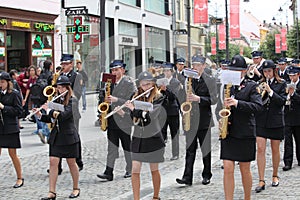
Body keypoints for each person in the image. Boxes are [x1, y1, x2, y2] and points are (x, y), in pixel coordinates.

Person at [219, 55, 262, 200]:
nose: (234, 73)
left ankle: (247, 197)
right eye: (232, 70)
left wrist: (237, 103)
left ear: (244, 71)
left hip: (245, 132)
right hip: (229, 132)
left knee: (245, 169)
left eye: (237, 70)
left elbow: (257, 107)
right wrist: (221, 119)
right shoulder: (227, 86)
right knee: (228, 168)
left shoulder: (251, 86)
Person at [35, 76, 80, 200]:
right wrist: (40, 116)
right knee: (53, 162)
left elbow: (64, 115)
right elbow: (52, 119)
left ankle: (76, 188)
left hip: (69, 136)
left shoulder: (72, 100)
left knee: (71, 163)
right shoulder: (57, 100)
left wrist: (49, 109)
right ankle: (52, 192)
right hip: (57, 136)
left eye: (60, 88)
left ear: (67, 88)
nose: (58, 90)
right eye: (58, 88)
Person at [176, 55, 218, 186]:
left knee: (205, 149)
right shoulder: (188, 79)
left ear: (204, 66)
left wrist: (198, 98)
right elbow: (182, 97)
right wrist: (183, 110)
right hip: (191, 119)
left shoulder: (210, 80)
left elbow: (214, 99)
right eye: (194, 65)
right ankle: (187, 177)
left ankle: (206, 175)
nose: (196, 68)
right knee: (190, 150)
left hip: (204, 119)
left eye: (199, 65)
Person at [124, 71, 166, 200]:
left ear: (153, 84)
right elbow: (133, 118)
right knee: (135, 169)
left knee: (154, 169)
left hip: (153, 137)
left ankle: (156, 196)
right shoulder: (135, 95)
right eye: (143, 84)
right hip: (138, 137)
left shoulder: (158, 97)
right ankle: (136, 198)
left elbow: (150, 117)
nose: (146, 87)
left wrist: (133, 110)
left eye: (148, 84)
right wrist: (123, 111)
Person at [97, 60, 136, 181]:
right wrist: (101, 113)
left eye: (116, 70)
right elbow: (102, 98)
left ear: (122, 70)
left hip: (124, 118)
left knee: (127, 146)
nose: (114, 72)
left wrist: (116, 100)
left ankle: (130, 168)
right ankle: (109, 172)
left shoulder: (129, 83)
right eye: (112, 70)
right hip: (111, 119)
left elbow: (131, 100)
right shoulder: (109, 82)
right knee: (112, 148)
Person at [255, 60, 287, 193]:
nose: (267, 73)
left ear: (274, 71)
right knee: (260, 149)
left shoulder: (281, 83)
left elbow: (282, 102)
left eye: (269, 71)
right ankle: (261, 179)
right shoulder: (259, 84)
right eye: (265, 71)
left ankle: (275, 175)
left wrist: (270, 91)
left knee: (275, 149)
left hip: (275, 120)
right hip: (261, 120)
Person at [59, 54, 83, 171]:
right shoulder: (57, 76)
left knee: (74, 137)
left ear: (71, 64)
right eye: (62, 64)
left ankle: (78, 160)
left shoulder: (76, 76)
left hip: (72, 111)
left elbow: (77, 94)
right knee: (57, 137)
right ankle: (57, 166)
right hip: (58, 110)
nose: (63, 66)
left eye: (66, 64)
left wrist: (66, 91)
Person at [0, 72, 24, 188]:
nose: (0, 84)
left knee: (12, 154)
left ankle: (20, 178)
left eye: (2, 82)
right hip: (0, 127)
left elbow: (19, 111)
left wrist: (4, 107)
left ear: (8, 83)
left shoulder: (14, 94)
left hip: (10, 128)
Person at [159, 62, 181, 160]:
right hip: (162, 110)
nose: (165, 72)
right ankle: (160, 154)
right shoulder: (160, 81)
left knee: (174, 133)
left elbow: (173, 97)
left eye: (167, 71)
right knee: (162, 133)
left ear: (171, 72)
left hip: (173, 110)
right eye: (164, 71)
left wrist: (165, 89)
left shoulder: (175, 82)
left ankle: (175, 153)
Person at [282, 66, 300, 171]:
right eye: (290, 75)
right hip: (288, 116)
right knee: (287, 141)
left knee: (298, 139)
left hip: (298, 116)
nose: (291, 77)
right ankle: (287, 162)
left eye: (294, 75)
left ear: (298, 75)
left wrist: (293, 94)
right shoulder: (286, 85)